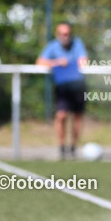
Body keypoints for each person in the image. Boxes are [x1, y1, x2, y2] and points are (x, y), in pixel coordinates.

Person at [36, 22, 88, 160]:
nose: (66, 36)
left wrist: (80, 62)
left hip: (78, 85)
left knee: (77, 117)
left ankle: (73, 148)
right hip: (62, 87)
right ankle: (62, 148)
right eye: (63, 34)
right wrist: (57, 62)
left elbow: (84, 60)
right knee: (61, 115)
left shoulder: (77, 44)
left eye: (68, 34)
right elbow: (40, 62)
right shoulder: (52, 46)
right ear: (58, 35)